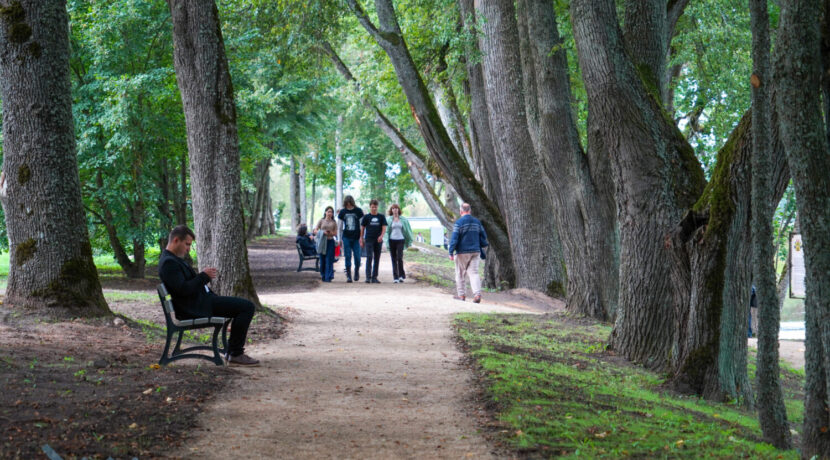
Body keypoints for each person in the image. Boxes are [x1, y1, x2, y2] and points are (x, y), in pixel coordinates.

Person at [158, 225, 259, 366]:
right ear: (176, 240)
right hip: (194, 308)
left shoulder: (173, 259)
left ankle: (233, 351)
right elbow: (183, 289)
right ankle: (235, 353)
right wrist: (203, 276)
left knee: (244, 306)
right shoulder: (169, 263)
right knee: (247, 307)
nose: (188, 248)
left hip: (202, 302)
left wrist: (203, 278)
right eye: (187, 244)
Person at [448, 203, 488, 303]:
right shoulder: (477, 222)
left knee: (460, 274)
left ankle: (461, 295)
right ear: (470, 211)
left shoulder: (459, 223)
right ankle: (477, 294)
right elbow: (483, 236)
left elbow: (454, 238)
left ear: (461, 211)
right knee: (474, 273)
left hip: (462, 252)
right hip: (475, 251)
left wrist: (451, 251)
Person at [337, 195, 364, 283]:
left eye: (350, 204)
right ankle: (348, 275)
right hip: (346, 237)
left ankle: (356, 270)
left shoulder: (358, 211)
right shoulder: (342, 212)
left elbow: (362, 225)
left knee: (357, 256)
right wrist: (339, 239)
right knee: (347, 256)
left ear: (352, 203)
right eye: (347, 204)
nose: (348, 206)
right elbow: (339, 226)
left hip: (356, 237)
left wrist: (361, 237)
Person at [360, 199, 387, 284]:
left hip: (378, 240)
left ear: (377, 207)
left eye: (375, 207)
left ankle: (374, 277)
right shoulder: (366, 217)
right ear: (370, 207)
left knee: (377, 258)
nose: (374, 208)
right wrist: (361, 238)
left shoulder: (381, 217)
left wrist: (381, 236)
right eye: (372, 207)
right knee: (369, 257)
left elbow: (384, 227)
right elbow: (362, 228)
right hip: (368, 240)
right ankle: (368, 277)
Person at [385, 203, 413, 283]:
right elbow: (386, 231)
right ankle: (395, 277)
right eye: (393, 208)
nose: (395, 210)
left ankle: (401, 275)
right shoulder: (388, 220)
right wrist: (386, 242)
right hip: (392, 240)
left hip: (401, 240)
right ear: (391, 210)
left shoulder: (403, 220)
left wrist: (409, 241)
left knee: (399, 258)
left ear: (398, 210)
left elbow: (408, 231)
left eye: (396, 208)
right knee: (393, 259)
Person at [314, 206, 338, 282]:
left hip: (330, 242)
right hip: (322, 242)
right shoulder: (321, 221)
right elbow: (315, 230)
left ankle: (329, 277)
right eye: (328, 211)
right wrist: (322, 232)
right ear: (325, 212)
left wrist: (330, 233)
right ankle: (323, 275)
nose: (329, 213)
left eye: (331, 212)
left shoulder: (334, 222)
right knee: (322, 259)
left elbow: (335, 233)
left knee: (329, 259)